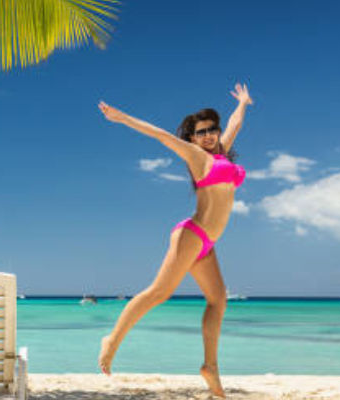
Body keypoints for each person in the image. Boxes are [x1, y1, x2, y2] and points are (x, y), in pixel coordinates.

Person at [96, 83, 253, 398]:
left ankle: (210, 367)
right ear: (192, 138)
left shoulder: (220, 153)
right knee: (159, 291)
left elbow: (234, 125)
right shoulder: (196, 155)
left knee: (218, 300)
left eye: (212, 130)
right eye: (201, 132)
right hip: (192, 234)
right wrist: (122, 118)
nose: (208, 135)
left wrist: (244, 104)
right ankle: (112, 340)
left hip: (208, 242)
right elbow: (160, 135)